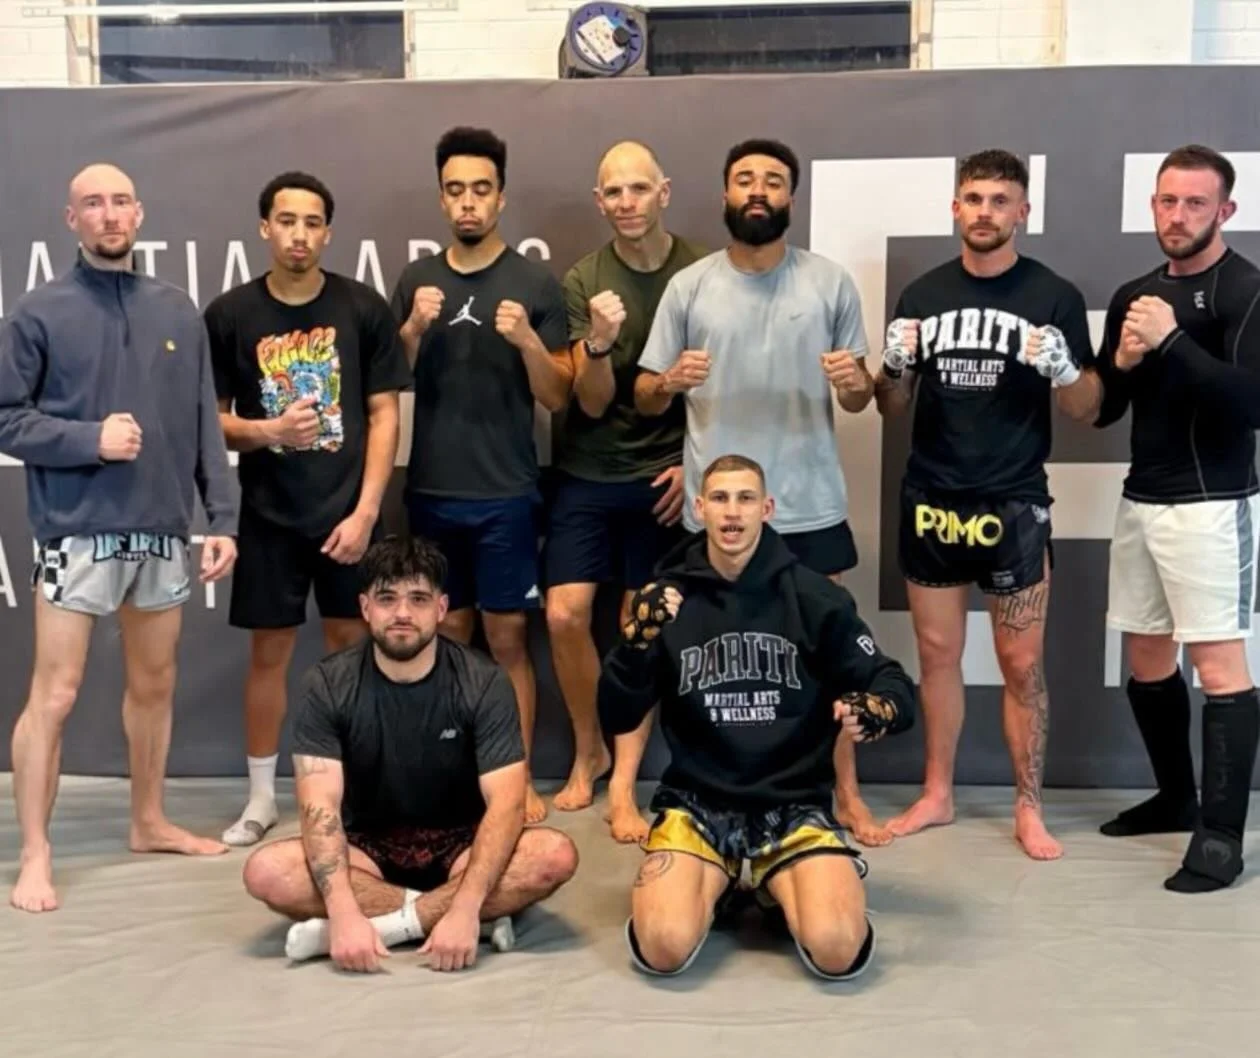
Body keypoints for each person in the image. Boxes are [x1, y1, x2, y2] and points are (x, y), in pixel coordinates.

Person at [0, 163, 238, 913]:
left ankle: (148, 820)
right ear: (71, 219)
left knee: (154, 685)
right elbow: (6, 418)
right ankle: (36, 853)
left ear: (140, 212)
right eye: (94, 204)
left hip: (163, 533)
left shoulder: (176, 311)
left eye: (121, 201)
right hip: (77, 533)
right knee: (57, 692)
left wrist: (222, 518)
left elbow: (204, 422)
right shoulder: (38, 312)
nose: (110, 215)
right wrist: (87, 438)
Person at [634, 138, 887, 845]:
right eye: (743, 178)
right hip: (715, 517)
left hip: (809, 505)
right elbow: (647, 396)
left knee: (829, 661)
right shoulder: (690, 287)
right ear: (723, 194)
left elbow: (865, 396)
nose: (757, 190)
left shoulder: (830, 282)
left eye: (772, 181)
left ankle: (844, 793)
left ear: (790, 199)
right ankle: (698, 791)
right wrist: (668, 383)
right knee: (698, 656)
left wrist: (855, 384)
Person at [598, 454, 915, 980]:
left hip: (791, 804)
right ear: (699, 508)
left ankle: (775, 881)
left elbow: (892, 682)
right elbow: (617, 709)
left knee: (837, 949)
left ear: (766, 508)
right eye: (719, 498)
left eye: (746, 499)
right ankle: (718, 882)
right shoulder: (668, 597)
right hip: (699, 802)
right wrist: (633, 645)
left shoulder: (815, 596)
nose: (732, 512)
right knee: (663, 946)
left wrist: (875, 711)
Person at [871, 148, 1099, 861]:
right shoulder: (924, 293)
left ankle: (1028, 807)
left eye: (1000, 201)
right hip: (933, 497)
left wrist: (1063, 368)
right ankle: (938, 792)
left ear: (1023, 211)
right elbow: (891, 406)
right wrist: (895, 368)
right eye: (973, 198)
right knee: (937, 655)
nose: (985, 212)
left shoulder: (1052, 294)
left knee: (1021, 663)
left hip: (1013, 501)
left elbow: (1088, 407)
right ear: (954, 208)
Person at [241, 536, 579, 973]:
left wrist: (466, 904)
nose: (402, 613)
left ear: (440, 609)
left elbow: (508, 805)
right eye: (387, 599)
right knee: (267, 871)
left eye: (418, 599)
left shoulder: (484, 682)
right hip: (367, 849)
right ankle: (458, 920)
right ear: (365, 608)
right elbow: (319, 807)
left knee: (554, 855)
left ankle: (394, 927)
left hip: (464, 847)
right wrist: (343, 912)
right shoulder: (326, 685)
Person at [205, 171, 411, 848]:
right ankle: (263, 798)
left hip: (348, 516)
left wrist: (366, 511)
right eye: (286, 220)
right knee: (269, 655)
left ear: (328, 230)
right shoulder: (232, 314)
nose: (299, 234)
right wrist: (270, 432)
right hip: (268, 518)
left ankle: (349, 793)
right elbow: (213, 422)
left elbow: (384, 416)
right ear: (265, 228)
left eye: (312, 221)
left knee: (352, 653)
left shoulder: (362, 308)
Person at [390, 127, 572, 825]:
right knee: (447, 635)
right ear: (442, 198)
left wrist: (527, 337)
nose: (469, 202)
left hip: (505, 494)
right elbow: (388, 381)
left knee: (505, 641)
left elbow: (557, 397)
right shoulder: (416, 281)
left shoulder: (534, 285)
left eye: (481, 189)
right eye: (456, 190)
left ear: (501, 196)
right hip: (435, 490)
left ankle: (515, 780)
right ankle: (450, 775)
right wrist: (410, 330)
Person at [1091, 144, 1260, 893]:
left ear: (1225, 210)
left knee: (1221, 671)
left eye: (1196, 203)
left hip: (1213, 505)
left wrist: (1170, 342)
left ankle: (1222, 836)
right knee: (1147, 662)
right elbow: (1107, 412)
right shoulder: (1136, 291)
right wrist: (1122, 364)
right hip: (1142, 498)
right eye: (1167, 201)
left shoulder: (1247, 289)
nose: (1178, 215)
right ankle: (1176, 798)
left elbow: (1250, 404)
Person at [543, 140, 705, 841]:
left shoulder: (702, 271)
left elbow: (718, 384)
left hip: (664, 476)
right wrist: (602, 345)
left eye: (640, 189)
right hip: (586, 471)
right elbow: (587, 401)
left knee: (642, 630)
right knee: (565, 616)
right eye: (615, 192)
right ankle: (588, 749)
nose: (628, 203)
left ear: (664, 191)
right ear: (599, 201)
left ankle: (627, 782)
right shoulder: (584, 278)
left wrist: (694, 468)